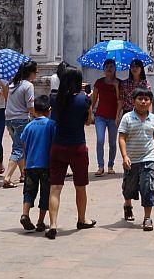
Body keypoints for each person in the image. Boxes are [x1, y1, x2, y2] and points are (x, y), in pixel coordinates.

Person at [46, 67, 96, 239]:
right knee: (80, 187)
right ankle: (82, 219)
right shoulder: (84, 99)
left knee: (55, 188)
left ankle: (53, 224)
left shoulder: (55, 98)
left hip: (58, 145)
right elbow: (88, 121)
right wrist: (88, 102)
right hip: (77, 146)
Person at [118, 86, 154, 232]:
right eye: (140, 99)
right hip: (131, 160)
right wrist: (124, 156)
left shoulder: (153, 119)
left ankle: (147, 218)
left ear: (150, 102)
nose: (143, 102)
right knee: (129, 187)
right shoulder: (127, 118)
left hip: (148, 158)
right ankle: (128, 205)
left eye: (146, 99)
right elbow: (122, 137)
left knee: (147, 186)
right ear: (134, 101)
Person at [19, 95, 56, 232]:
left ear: (34, 110)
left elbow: (24, 146)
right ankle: (40, 221)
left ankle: (25, 214)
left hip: (30, 165)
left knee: (29, 191)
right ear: (49, 110)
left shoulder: (29, 126)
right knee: (46, 193)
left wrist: (25, 163)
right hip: (46, 165)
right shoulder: (51, 124)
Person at [3, 60, 38, 188]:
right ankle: (7, 177)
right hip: (21, 120)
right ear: (31, 73)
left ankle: (24, 174)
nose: (37, 74)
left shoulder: (13, 83)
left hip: (9, 119)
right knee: (18, 149)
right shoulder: (28, 86)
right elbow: (30, 107)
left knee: (20, 146)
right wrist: (38, 116)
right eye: (36, 72)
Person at [91, 59, 121, 176]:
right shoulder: (99, 82)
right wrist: (89, 113)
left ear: (115, 69)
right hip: (100, 116)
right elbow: (94, 99)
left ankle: (110, 165)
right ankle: (100, 166)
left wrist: (116, 87)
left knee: (112, 142)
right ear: (103, 69)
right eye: (107, 66)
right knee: (100, 140)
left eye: (111, 66)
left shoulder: (119, 83)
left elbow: (120, 100)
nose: (109, 69)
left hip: (113, 117)